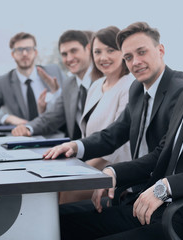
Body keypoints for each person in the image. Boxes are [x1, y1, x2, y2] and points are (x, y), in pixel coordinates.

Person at [56, 9, 183, 240]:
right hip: (159, 209)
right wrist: (114, 173)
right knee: (59, 222)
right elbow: (160, 154)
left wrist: (166, 186)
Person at [44, 22, 183, 172]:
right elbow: (113, 134)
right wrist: (75, 146)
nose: (135, 62)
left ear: (160, 50)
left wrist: (115, 172)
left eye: (142, 52)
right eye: (128, 57)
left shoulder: (180, 91)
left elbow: (164, 153)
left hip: (161, 185)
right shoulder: (137, 89)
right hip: (136, 180)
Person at [58, 26, 134, 204]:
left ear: (123, 52)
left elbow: (117, 143)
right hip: (89, 164)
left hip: (114, 170)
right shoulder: (96, 85)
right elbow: (88, 137)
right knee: (53, 190)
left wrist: (81, 171)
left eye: (110, 50)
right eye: (97, 52)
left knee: (66, 192)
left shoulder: (130, 85)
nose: (103, 57)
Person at [12, 30, 94, 139]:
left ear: (88, 49)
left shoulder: (104, 80)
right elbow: (51, 118)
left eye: (74, 51)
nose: (69, 58)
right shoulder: (69, 84)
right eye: (64, 54)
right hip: (77, 151)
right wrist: (27, 128)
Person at [0, 32, 65, 126]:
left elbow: (71, 103)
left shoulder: (54, 72)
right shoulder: (2, 83)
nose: (25, 53)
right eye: (19, 50)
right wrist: (7, 118)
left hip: (57, 133)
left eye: (29, 49)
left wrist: (57, 93)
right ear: (13, 54)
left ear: (35, 52)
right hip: (22, 137)